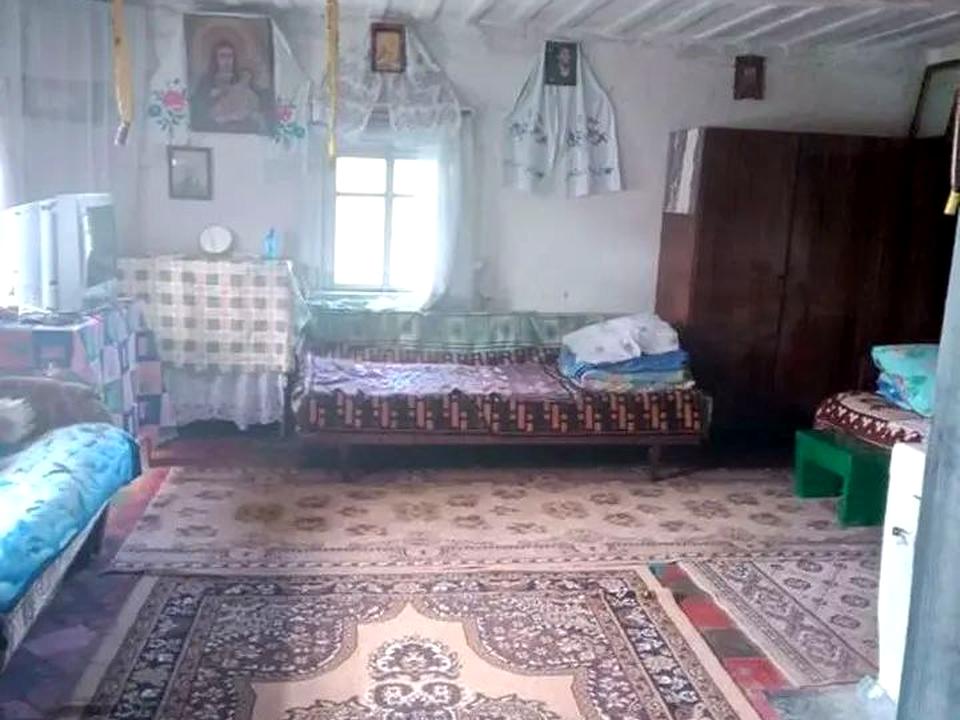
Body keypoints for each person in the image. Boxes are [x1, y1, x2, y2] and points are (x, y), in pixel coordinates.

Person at [191, 40, 270, 133]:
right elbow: (199, 105)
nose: (227, 60)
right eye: (222, 56)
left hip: (241, 126)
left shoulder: (242, 78)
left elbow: (256, 100)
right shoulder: (207, 81)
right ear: (215, 59)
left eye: (230, 56)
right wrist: (215, 95)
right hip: (216, 128)